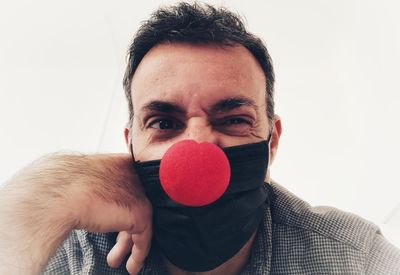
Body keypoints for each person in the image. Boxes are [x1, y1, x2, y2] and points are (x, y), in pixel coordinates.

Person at [1, 2, 399, 275]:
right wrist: (40, 199)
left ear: (272, 142)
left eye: (234, 120)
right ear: (131, 144)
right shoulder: (70, 252)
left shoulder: (355, 257)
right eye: (163, 123)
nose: (197, 150)